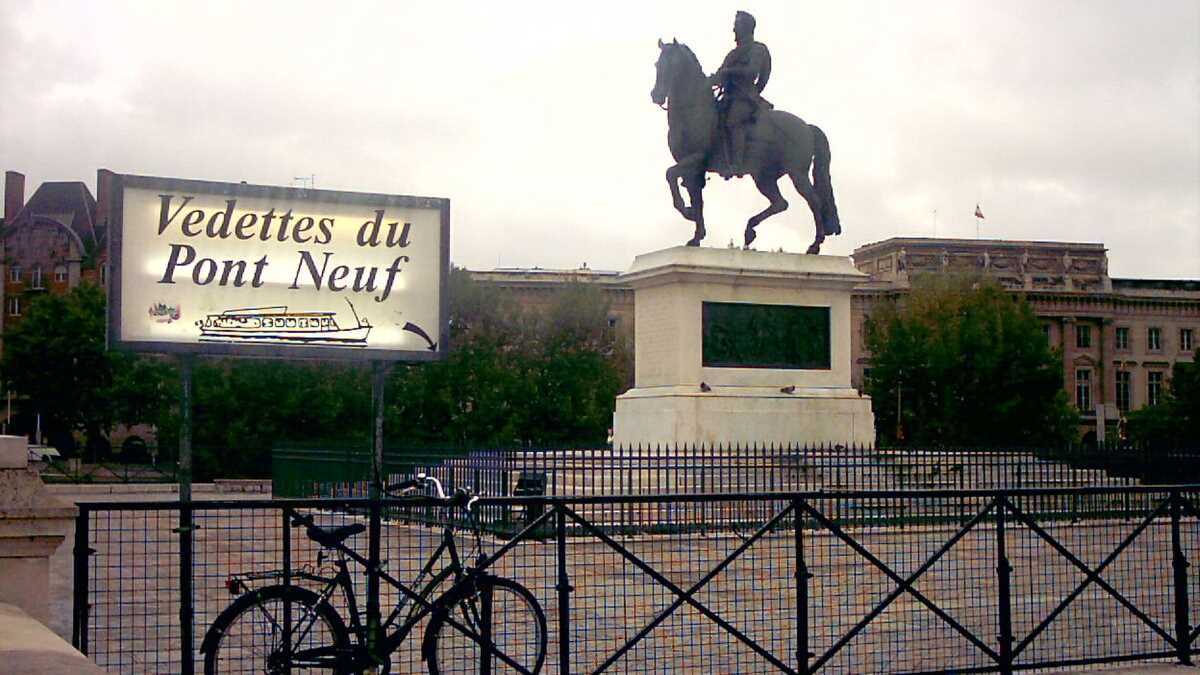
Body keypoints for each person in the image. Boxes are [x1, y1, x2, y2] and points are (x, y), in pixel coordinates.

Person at [708, 11, 772, 178]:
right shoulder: (732, 54)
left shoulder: (757, 49)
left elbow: (754, 72)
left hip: (746, 97)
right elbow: (721, 75)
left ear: (746, 28)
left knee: (733, 121)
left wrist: (755, 90)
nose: (734, 31)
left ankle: (737, 164)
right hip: (728, 98)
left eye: (737, 27)